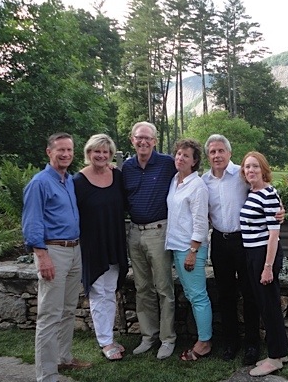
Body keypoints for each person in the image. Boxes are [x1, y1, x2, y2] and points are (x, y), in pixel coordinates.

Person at [22, 132, 91, 382]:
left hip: (74, 250)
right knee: (50, 315)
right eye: (60, 150)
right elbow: (32, 222)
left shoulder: (68, 180)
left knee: (68, 310)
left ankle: (64, 358)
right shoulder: (40, 183)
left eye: (69, 150)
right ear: (49, 152)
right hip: (53, 251)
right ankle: (47, 374)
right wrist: (42, 256)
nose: (65, 154)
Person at [202, 134, 261, 365]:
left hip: (243, 241)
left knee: (250, 293)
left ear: (229, 153)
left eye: (220, 151)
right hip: (219, 241)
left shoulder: (241, 174)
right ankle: (231, 342)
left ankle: (252, 345)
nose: (217, 155)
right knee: (225, 294)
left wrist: (279, 209)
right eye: (212, 152)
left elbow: (263, 187)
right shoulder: (204, 180)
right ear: (208, 156)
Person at [122, 121, 177, 360]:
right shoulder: (127, 167)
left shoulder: (167, 163)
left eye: (148, 138)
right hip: (134, 232)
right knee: (142, 287)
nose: (143, 142)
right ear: (132, 140)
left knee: (163, 287)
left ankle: (167, 339)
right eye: (139, 138)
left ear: (154, 141)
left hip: (159, 230)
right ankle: (148, 336)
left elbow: (192, 179)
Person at [73, 134, 128, 361]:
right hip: (92, 244)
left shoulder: (117, 175)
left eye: (106, 152)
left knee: (110, 290)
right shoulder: (78, 181)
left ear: (111, 155)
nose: (101, 156)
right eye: (97, 151)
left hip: (114, 240)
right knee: (98, 293)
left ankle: (109, 337)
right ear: (88, 153)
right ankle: (105, 341)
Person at [239, 151, 288, 377]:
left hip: (264, 255)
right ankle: (280, 351)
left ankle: (275, 357)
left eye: (255, 167)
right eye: (247, 167)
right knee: (265, 304)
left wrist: (267, 266)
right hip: (252, 253)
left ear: (263, 169)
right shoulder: (253, 192)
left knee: (269, 306)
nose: (250, 170)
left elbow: (273, 235)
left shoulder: (268, 194)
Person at [165, 138, 213, 361]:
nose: (180, 158)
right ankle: (203, 338)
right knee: (193, 295)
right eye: (178, 154)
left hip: (190, 248)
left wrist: (193, 251)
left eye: (186, 155)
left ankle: (204, 342)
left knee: (198, 296)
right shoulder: (175, 181)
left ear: (194, 161)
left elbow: (201, 222)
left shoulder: (197, 186)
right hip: (177, 246)